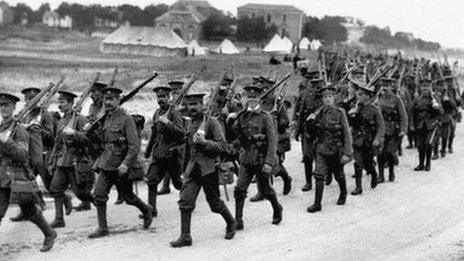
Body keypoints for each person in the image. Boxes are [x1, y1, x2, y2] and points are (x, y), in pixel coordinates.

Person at [86, 87, 153, 238]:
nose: (108, 102)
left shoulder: (126, 118)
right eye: (106, 99)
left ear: (118, 100)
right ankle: (103, 228)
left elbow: (134, 145)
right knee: (99, 194)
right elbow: (102, 140)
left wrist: (126, 164)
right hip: (106, 162)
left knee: (129, 197)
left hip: (120, 164)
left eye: (111, 99)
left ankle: (146, 210)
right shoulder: (105, 117)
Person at [170, 93, 235, 247]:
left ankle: (230, 222)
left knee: (214, 203)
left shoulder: (212, 122)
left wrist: (205, 143)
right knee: (185, 201)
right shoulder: (189, 123)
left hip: (208, 169)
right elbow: (187, 147)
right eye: (189, 105)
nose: (191, 108)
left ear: (202, 105)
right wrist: (183, 168)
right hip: (192, 169)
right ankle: (185, 236)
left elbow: (224, 147)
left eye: (195, 104)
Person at [0, 93, 57, 252]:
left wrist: (7, 141)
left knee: (29, 210)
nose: (3, 108)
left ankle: (49, 233)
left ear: (14, 107)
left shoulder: (19, 130)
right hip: (2, 177)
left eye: (7, 105)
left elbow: (23, 155)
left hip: (18, 177)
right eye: (1, 105)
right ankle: (50, 233)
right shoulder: (2, 128)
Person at [229, 83, 283, 231]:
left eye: (254, 97)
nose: (251, 99)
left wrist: (269, 162)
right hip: (247, 159)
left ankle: (277, 208)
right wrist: (230, 123)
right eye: (249, 97)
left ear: (259, 98)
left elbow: (273, 142)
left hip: (261, 159)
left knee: (266, 190)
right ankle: (238, 220)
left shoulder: (266, 117)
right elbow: (238, 137)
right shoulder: (242, 116)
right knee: (239, 189)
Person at [48, 91, 94, 228]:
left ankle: (99, 203)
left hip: (75, 160)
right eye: (59, 102)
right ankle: (59, 219)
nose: (59, 105)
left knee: (81, 193)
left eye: (62, 102)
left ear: (71, 103)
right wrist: (51, 162)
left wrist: (74, 133)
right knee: (55, 188)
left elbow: (87, 139)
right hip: (62, 161)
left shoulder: (80, 119)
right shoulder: (61, 120)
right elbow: (57, 143)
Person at [10, 87, 54, 222]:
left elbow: (51, 137)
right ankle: (28, 210)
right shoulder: (23, 114)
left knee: (49, 184)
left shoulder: (45, 115)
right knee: (24, 185)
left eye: (34, 99)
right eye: (28, 99)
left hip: (42, 154)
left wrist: (39, 129)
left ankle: (64, 201)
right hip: (26, 154)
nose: (31, 102)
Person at [306, 85, 352, 212]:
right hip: (321, 149)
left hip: (335, 150)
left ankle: (343, 193)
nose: (327, 99)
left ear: (334, 98)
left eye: (330, 96)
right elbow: (312, 133)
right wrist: (309, 122)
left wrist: (347, 153)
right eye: (325, 97)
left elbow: (347, 134)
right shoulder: (318, 113)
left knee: (338, 175)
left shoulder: (340, 113)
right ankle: (317, 204)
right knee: (319, 175)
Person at [144, 85, 184, 218]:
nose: (160, 99)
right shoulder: (156, 113)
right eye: (158, 97)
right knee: (151, 181)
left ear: (168, 97)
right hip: (158, 153)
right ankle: (151, 210)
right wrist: (148, 151)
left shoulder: (174, 113)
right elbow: (154, 134)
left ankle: (188, 200)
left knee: (178, 183)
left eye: (163, 96)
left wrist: (168, 123)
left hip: (172, 154)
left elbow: (181, 133)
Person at [349, 81, 385, 195]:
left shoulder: (374, 109)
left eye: (361, 95)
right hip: (359, 140)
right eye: (358, 94)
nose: (359, 97)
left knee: (369, 163)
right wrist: (352, 114)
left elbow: (381, 126)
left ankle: (374, 174)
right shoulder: (356, 108)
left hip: (370, 141)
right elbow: (352, 124)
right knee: (357, 163)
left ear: (368, 96)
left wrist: (377, 139)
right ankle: (358, 187)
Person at [295, 77, 324, 191]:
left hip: (321, 132)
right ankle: (308, 182)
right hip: (308, 131)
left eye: (318, 86)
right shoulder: (307, 98)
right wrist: (297, 132)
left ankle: (324, 176)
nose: (317, 88)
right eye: (314, 85)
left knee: (321, 156)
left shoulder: (325, 99)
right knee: (307, 157)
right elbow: (301, 115)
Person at [376, 79, 408, 182]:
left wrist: (403, 130)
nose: (385, 88)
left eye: (388, 86)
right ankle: (380, 175)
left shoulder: (397, 100)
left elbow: (403, 116)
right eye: (383, 86)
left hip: (393, 130)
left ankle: (391, 171)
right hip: (380, 130)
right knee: (380, 153)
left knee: (390, 152)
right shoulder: (377, 99)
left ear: (392, 87)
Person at [411, 85, 443, 171]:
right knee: (420, 146)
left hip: (431, 125)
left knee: (428, 144)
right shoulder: (417, 99)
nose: (425, 90)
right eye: (424, 87)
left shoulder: (435, 98)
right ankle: (421, 164)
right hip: (420, 125)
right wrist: (412, 125)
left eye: (427, 87)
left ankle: (428, 163)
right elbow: (412, 112)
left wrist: (436, 107)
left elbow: (441, 112)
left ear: (430, 88)